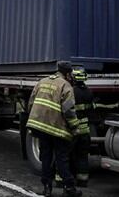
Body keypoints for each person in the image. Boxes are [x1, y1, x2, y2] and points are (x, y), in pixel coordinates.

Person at [27, 61, 82, 197]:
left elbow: (31, 103)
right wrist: (75, 128)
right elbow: (68, 110)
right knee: (61, 158)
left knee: (46, 157)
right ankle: (69, 187)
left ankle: (46, 187)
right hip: (56, 129)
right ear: (68, 74)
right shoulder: (66, 86)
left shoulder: (42, 81)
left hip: (40, 127)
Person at [67, 68, 95, 188]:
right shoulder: (89, 92)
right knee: (83, 156)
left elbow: (67, 109)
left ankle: (67, 179)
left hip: (73, 130)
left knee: (68, 155)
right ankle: (83, 181)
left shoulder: (71, 91)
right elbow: (91, 110)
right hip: (85, 130)